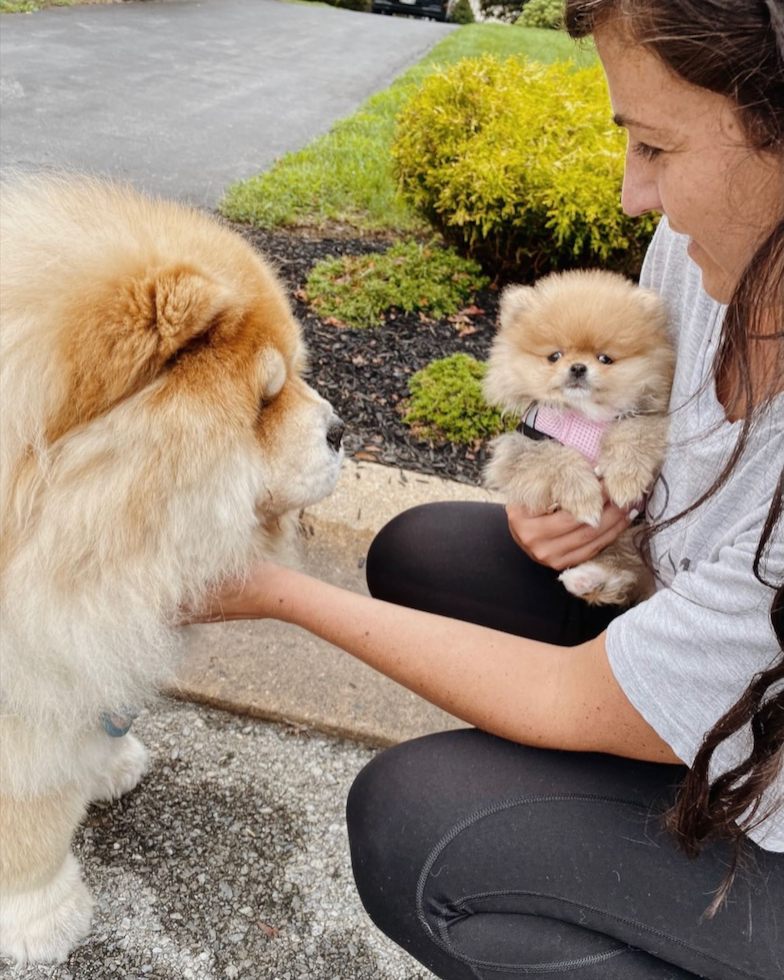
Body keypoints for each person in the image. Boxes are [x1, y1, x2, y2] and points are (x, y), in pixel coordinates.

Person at [193, 1, 784, 976]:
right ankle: (593, 792)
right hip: (713, 650)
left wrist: (272, 593)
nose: (635, 193)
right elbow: (623, 385)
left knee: (418, 826)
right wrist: (571, 473)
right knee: (422, 548)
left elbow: (568, 694)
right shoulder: (703, 242)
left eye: (657, 145)